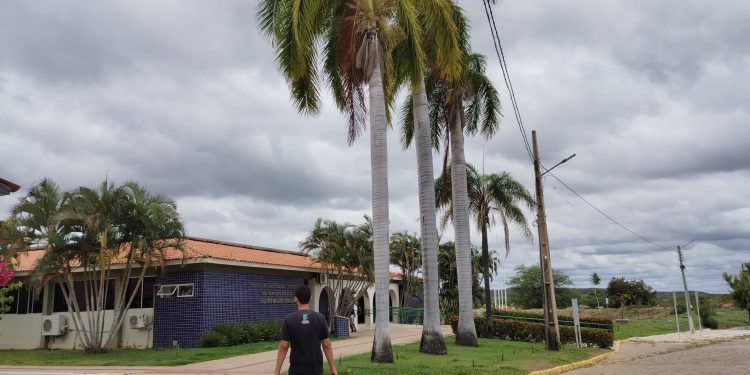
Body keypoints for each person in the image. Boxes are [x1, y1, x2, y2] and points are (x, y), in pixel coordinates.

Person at [274, 285, 338, 375]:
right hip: (316, 370)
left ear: (296, 299)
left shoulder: (289, 319)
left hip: (296, 370)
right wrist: (333, 368)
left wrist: (277, 371)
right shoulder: (320, 318)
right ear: (310, 298)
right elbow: (327, 345)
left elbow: (283, 346)